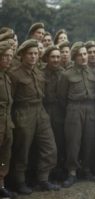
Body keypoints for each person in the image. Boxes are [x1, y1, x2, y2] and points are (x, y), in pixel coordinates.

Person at [8, 39, 60, 194]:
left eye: (36, 53)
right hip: (23, 112)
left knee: (49, 147)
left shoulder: (39, 71)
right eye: (30, 54)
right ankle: (20, 182)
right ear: (22, 55)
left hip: (40, 110)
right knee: (22, 150)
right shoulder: (14, 74)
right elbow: (10, 99)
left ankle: (43, 179)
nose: (33, 56)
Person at [58, 42, 95, 188]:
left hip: (91, 108)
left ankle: (86, 170)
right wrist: (72, 109)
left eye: (85, 54)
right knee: (73, 142)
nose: (84, 57)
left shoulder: (93, 72)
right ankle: (72, 172)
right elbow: (62, 97)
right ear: (74, 57)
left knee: (90, 140)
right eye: (80, 55)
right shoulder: (67, 74)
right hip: (74, 109)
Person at [42, 46, 66, 182]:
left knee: (60, 142)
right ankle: (44, 173)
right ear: (47, 58)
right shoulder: (41, 73)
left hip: (60, 112)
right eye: (53, 57)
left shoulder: (64, 73)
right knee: (45, 144)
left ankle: (58, 171)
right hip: (45, 110)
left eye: (58, 57)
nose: (56, 60)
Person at [0, 42, 15, 198]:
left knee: (4, 157)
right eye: (5, 56)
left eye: (11, 56)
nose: (8, 59)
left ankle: (1, 185)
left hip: (7, 123)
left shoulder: (6, 76)